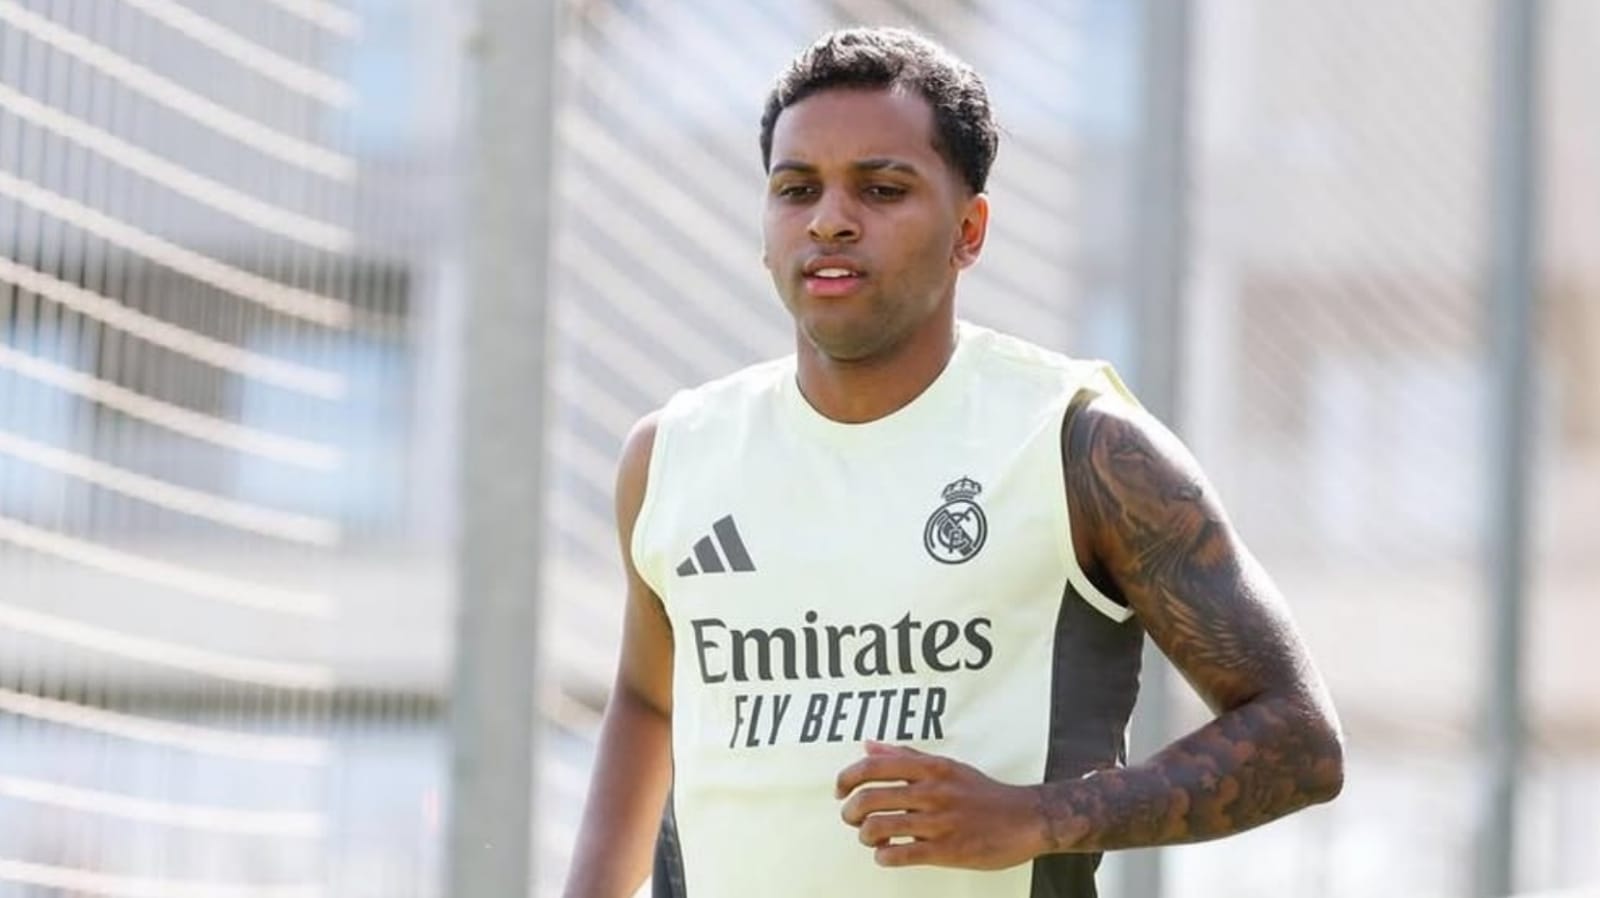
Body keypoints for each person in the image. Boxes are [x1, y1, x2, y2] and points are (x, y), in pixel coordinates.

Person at [562, 25, 1343, 898]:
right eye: (796, 189)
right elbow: (648, 700)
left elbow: (1299, 738)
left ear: (968, 230)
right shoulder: (672, 455)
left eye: (882, 189)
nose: (829, 219)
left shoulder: (1079, 445)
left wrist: (1036, 817)